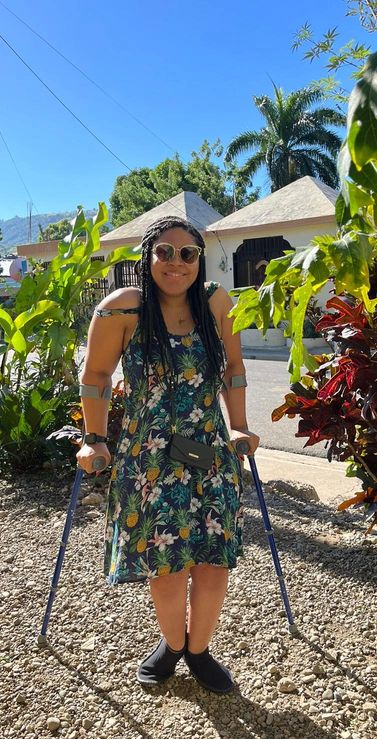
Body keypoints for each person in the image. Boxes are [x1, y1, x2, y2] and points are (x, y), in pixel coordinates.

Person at [76, 215, 259, 694]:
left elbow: (234, 369)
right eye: (164, 252)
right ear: (147, 257)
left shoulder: (217, 303)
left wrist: (239, 425)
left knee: (214, 564)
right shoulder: (122, 310)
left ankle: (198, 652)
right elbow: (95, 377)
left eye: (187, 253)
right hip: (149, 461)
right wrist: (94, 438)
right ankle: (172, 645)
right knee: (167, 567)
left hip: (209, 455)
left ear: (199, 259)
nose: (176, 262)